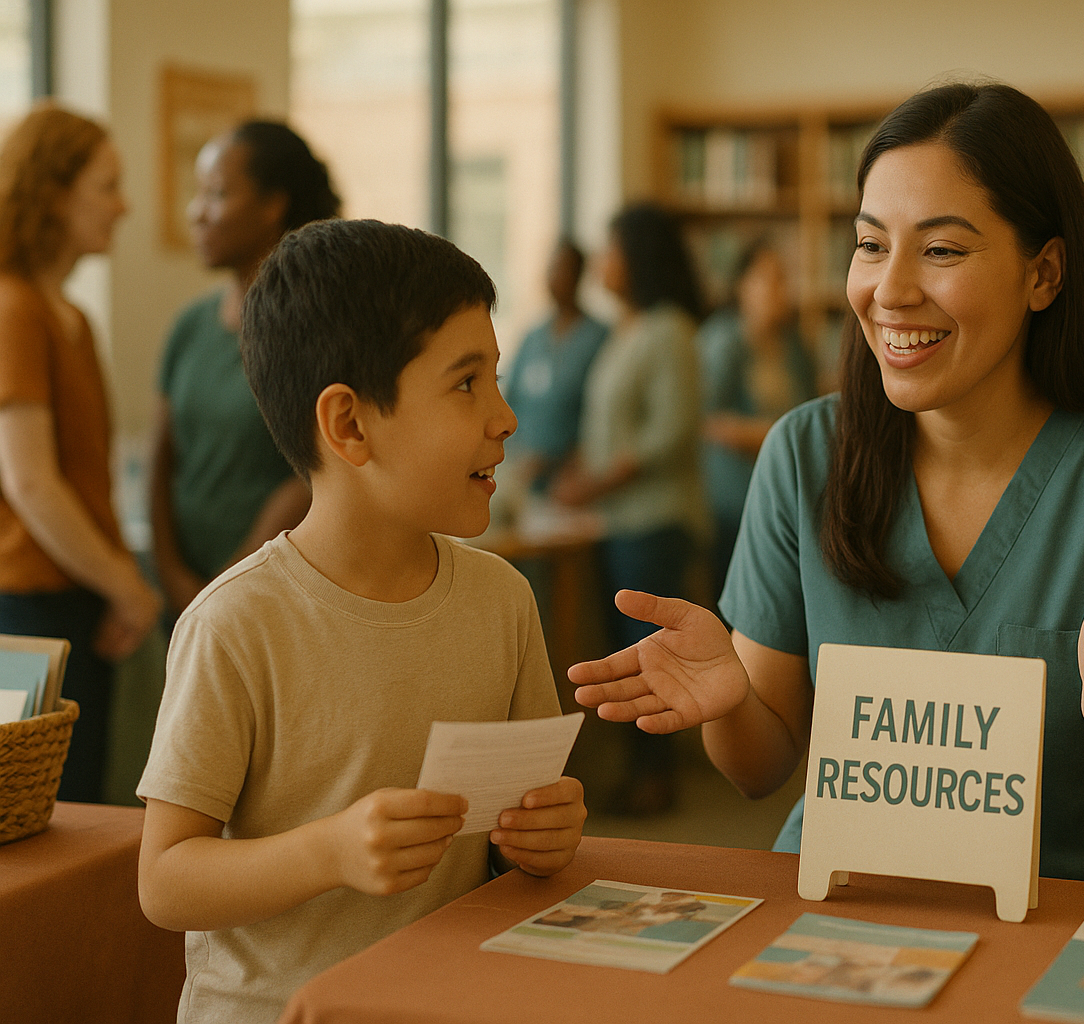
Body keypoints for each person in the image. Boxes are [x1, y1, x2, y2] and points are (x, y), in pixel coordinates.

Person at [569, 83, 1084, 888]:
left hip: (1068, 928)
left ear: (1043, 273)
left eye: (941, 250)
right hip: (844, 921)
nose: (890, 290)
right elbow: (757, 771)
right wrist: (731, 703)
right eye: (871, 245)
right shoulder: (805, 452)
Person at [136, 220, 587, 1023]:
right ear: (348, 425)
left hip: (446, 1002)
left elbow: (523, 816)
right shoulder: (235, 623)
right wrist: (328, 851)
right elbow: (165, 879)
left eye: (498, 379)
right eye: (466, 383)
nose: (506, 416)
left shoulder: (504, 599)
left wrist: (545, 832)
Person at [0, 104, 160, 802]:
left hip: (74, 594)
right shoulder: (14, 309)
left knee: (84, 803)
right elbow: (31, 482)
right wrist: (127, 585)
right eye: (108, 186)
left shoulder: (69, 316)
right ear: (55, 192)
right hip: (31, 606)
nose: (123, 207)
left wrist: (112, 582)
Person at [552, 202, 707, 816]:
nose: (602, 263)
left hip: (654, 522)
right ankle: (639, 772)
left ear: (637, 258)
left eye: (612, 249)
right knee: (622, 655)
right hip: (616, 521)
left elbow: (669, 431)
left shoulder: (669, 329)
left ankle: (656, 778)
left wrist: (596, 481)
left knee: (649, 659)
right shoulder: (627, 329)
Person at [151, 121, 339, 618]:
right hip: (182, 589)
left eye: (216, 194)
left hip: (276, 587)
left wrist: (228, 583)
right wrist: (172, 574)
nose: (197, 212)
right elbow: (161, 461)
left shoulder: (317, 328)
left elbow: (311, 471)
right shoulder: (190, 325)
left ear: (273, 204)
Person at [695, 238, 818, 599]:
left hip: (790, 498)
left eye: (785, 278)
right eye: (770, 278)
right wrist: (773, 434)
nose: (782, 289)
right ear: (742, 284)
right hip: (731, 505)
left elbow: (812, 415)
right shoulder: (722, 341)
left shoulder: (795, 346)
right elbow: (706, 419)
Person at [501, 237, 608, 492]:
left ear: (580, 276)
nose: (554, 277)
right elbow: (510, 398)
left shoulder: (598, 338)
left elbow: (599, 411)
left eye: (563, 269)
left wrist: (562, 459)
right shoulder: (533, 338)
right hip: (524, 474)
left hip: (573, 478)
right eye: (551, 268)